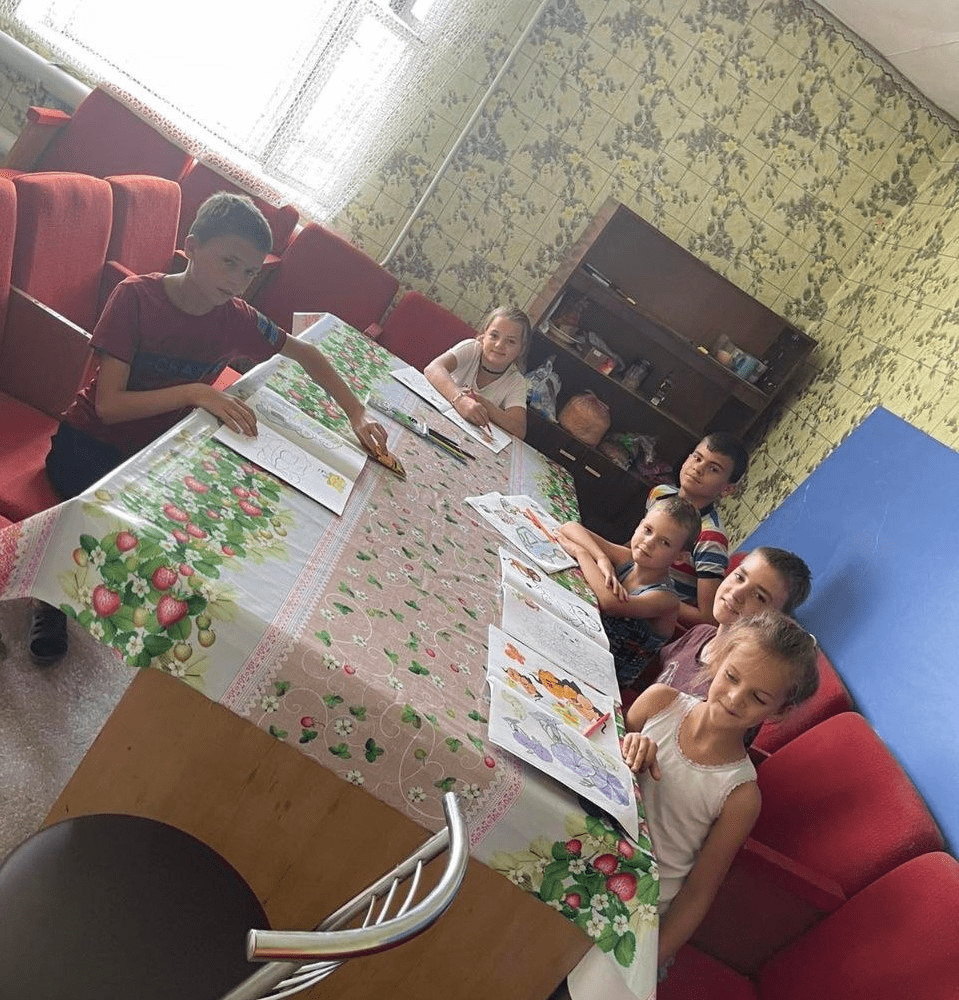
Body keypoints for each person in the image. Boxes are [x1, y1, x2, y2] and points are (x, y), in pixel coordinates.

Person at [28, 192, 389, 666]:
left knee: (217, 523)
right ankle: (48, 599)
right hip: (88, 444)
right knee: (113, 525)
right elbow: (109, 406)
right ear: (192, 247)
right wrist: (195, 392)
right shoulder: (135, 297)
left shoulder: (237, 317)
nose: (237, 281)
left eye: (250, 272)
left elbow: (306, 352)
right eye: (228, 262)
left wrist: (357, 412)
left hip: (158, 450)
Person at [621, 610, 819, 975]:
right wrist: (627, 746)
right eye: (731, 676)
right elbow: (600, 764)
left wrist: (646, 964)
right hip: (594, 852)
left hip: (639, 909)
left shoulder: (740, 795)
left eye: (758, 697)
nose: (734, 698)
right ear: (718, 657)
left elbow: (699, 892)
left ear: (779, 711)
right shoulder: (658, 702)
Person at [556, 496, 701, 689]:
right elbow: (570, 528)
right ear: (639, 525)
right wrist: (601, 557)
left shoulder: (666, 599)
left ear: (679, 557)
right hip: (583, 645)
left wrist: (582, 553)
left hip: (605, 681)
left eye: (664, 542)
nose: (649, 543)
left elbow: (610, 603)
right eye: (647, 530)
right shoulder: (628, 560)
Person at [655, 546, 813, 696]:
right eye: (739, 577)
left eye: (759, 596)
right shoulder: (700, 633)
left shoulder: (738, 689)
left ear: (776, 619)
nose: (736, 593)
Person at [647, 432, 748, 629]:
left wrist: (656, 597)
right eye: (697, 457)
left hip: (656, 620)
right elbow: (634, 547)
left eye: (713, 469)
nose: (698, 468)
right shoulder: (659, 495)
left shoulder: (710, 538)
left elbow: (708, 617)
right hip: (630, 584)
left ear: (727, 489)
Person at [423, 305, 531, 439]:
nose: (499, 345)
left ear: (521, 348)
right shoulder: (471, 348)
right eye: (494, 335)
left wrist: (484, 403)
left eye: (511, 341)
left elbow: (519, 430)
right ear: (484, 335)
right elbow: (433, 368)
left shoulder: (517, 381)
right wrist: (460, 400)